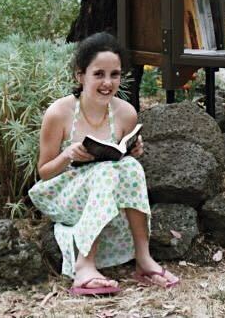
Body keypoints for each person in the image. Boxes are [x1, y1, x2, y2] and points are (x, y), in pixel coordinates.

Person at [28, 32, 179, 295]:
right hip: (63, 193)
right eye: (99, 74)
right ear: (80, 75)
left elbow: (122, 166)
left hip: (105, 195)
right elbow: (44, 173)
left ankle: (143, 259)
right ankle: (85, 265)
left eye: (115, 74)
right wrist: (67, 156)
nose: (107, 83)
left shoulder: (125, 113)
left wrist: (131, 153)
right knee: (105, 172)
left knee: (130, 167)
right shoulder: (59, 113)